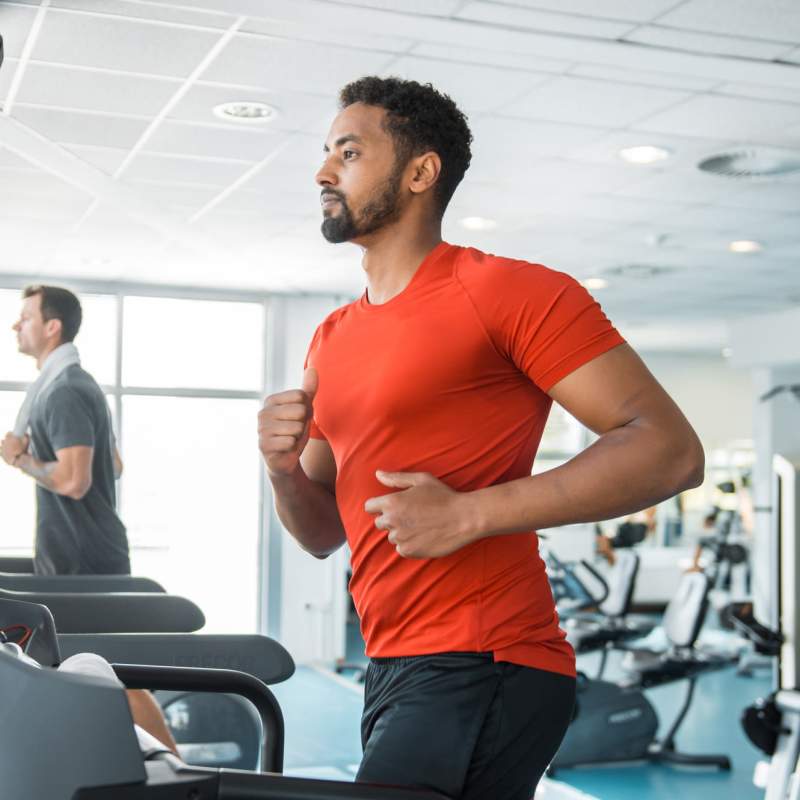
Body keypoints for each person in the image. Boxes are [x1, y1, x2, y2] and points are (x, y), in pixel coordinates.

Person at [258, 76, 705, 800]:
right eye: (325, 153)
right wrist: (282, 471)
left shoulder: (507, 292)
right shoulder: (332, 337)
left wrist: (470, 513)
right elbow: (320, 534)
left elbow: (671, 450)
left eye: (348, 151)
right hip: (394, 661)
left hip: (489, 656)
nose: (322, 171)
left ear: (420, 171)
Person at [1, 285, 130, 575]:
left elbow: (74, 482)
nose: (15, 325)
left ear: (52, 327)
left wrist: (19, 459)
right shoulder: (73, 383)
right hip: (83, 557)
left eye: (26, 318)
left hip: (81, 564)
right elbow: (115, 466)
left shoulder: (64, 391)